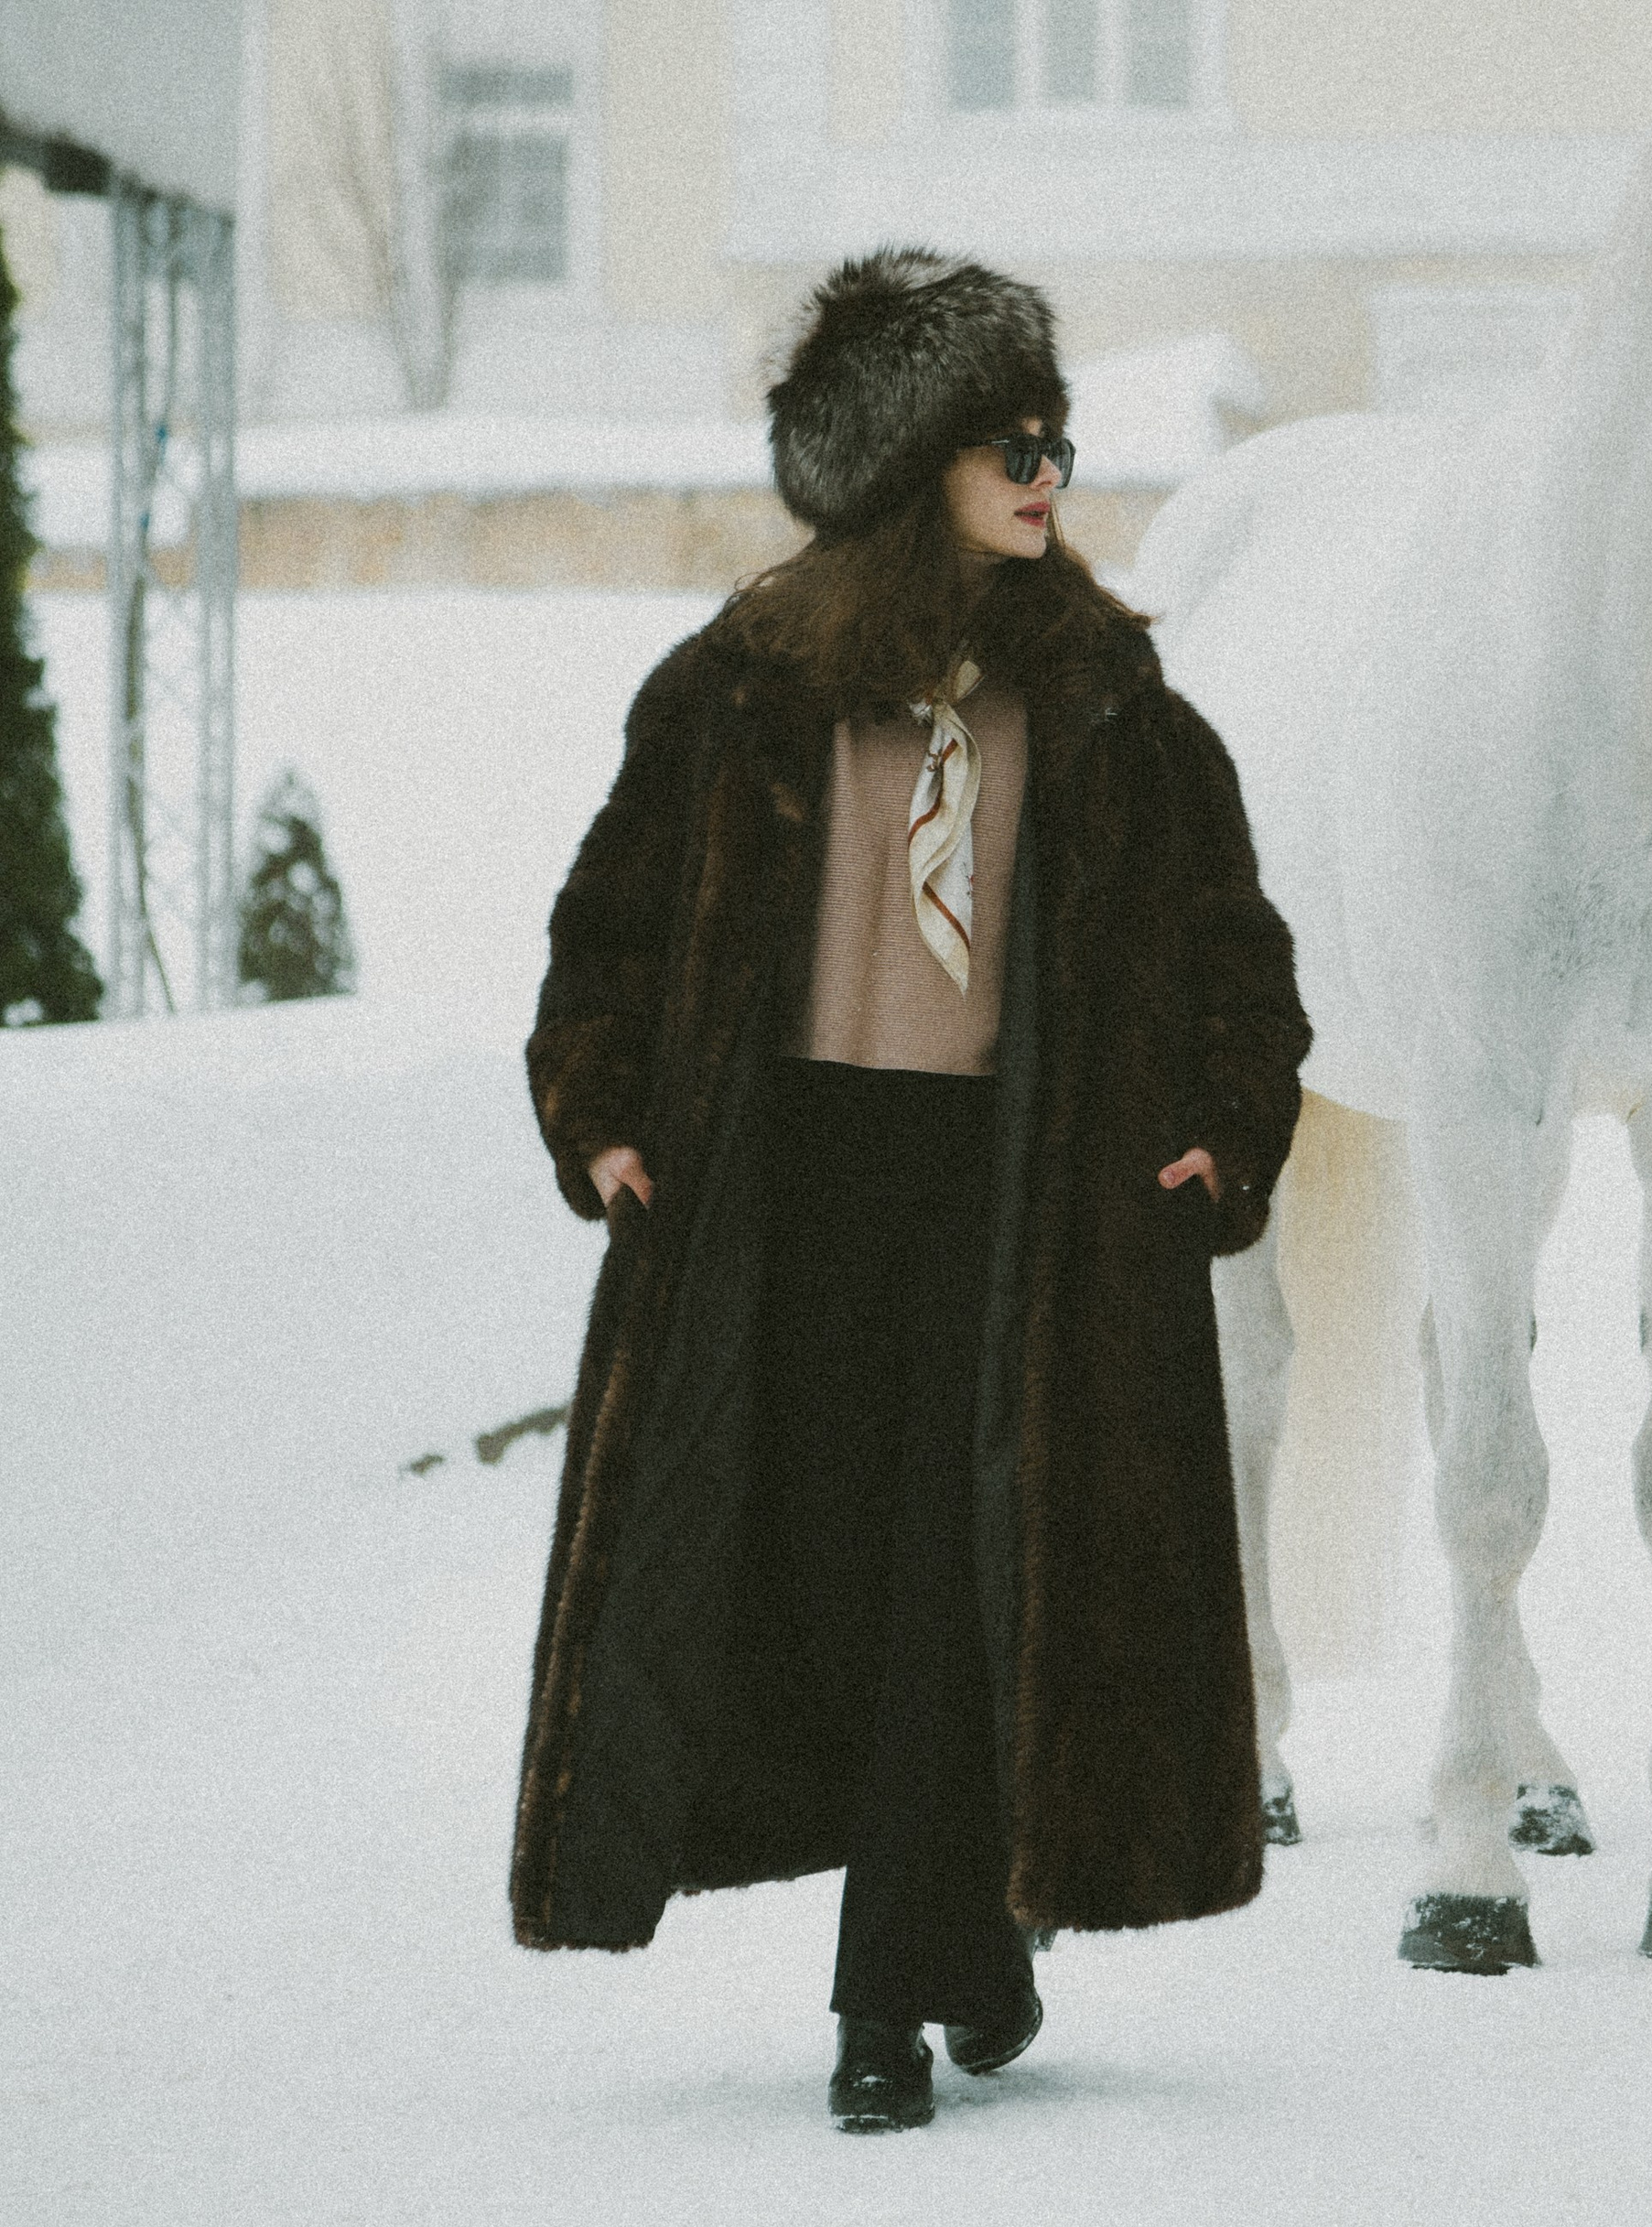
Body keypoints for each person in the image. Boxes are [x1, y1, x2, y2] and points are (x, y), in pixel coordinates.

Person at [509, 248, 1312, 2134]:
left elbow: (1234, 957)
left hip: (1025, 1196)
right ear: (905, 466)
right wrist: (600, 1105)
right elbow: (608, 928)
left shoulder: (1109, 698)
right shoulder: (743, 687)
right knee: (854, 1576)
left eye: (1056, 436)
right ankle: (969, 1934)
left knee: (966, 1580)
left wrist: (1226, 1119)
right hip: (790, 1199)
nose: (1047, 469)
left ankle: (880, 2003)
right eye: (1004, 441)